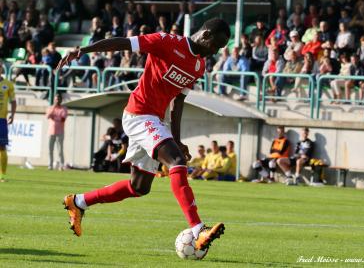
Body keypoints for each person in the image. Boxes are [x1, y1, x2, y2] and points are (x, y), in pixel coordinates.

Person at [57, 18, 230, 250]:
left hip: (156, 121)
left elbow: (178, 103)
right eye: (216, 45)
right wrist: (84, 50)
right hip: (139, 114)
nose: (215, 52)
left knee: (138, 187)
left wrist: (177, 139)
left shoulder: (199, 66)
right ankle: (198, 228)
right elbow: (123, 43)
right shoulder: (166, 41)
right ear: (206, 35)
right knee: (176, 162)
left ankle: (78, 202)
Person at [0, 64, 16, 183]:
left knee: (2, 147)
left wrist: (13, 114)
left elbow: (13, 101)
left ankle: (2, 175)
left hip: (1, 120)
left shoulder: (8, 84)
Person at [46, 94, 68, 170]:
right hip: (51, 131)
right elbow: (48, 116)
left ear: (61, 100)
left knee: (60, 150)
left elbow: (63, 119)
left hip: (60, 132)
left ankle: (61, 165)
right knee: (50, 150)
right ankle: (50, 165)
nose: (57, 101)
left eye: (58, 99)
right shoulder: (50, 108)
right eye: (56, 99)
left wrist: (54, 118)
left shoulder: (64, 109)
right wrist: (53, 108)